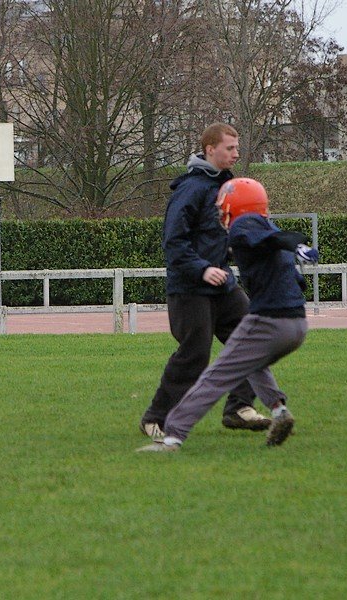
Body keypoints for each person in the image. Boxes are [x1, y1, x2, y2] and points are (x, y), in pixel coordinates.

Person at [138, 178, 319, 451]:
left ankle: (173, 436)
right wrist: (289, 248)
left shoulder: (243, 227)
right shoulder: (269, 225)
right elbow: (292, 274)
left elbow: (251, 236)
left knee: (215, 377)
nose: (221, 213)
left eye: (224, 206)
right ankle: (279, 412)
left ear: (236, 206)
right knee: (254, 364)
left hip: (267, 322)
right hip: (296, 326)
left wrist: (294, 244)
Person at [139, 123, 269, 442]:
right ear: (210, 149)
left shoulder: (231, 186)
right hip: (190, 288)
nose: (236, 154)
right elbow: (174, 241)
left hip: (222, 285)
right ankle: (155, 419)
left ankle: (239, 409)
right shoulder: (191, 189)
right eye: (230, 148)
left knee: (256, 338)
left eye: (238, 148)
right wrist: (201, 269)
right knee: (195, 355)